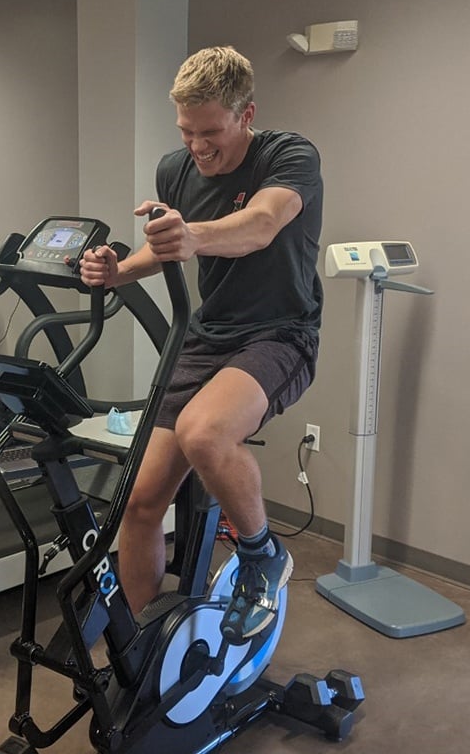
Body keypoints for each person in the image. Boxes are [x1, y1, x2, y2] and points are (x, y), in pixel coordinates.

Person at [80, 46, 324, 643]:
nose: (197, 145)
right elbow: (170, 246)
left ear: (246, 114)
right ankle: (139, 649)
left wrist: (193, 233)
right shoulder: (176, 169)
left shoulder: (289, 155)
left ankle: (263, 554)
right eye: (186, 131)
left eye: (210, 130)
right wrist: (119, 271)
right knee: (139, 506)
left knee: (204, 432)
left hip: (278, 333)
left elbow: (261, 225)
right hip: (205, 338)